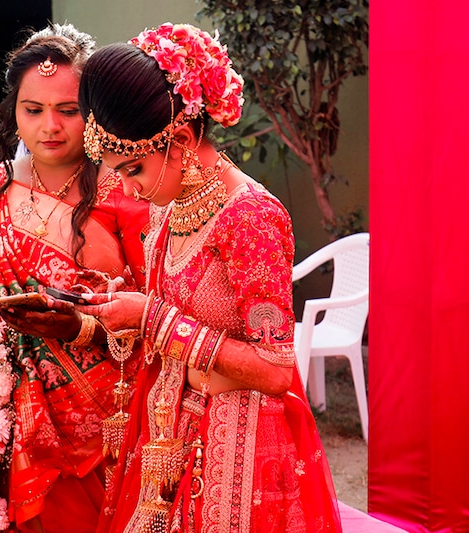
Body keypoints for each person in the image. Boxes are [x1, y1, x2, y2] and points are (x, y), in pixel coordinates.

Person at [70, 23, 343, 532]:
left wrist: (152, 317)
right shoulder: (170, 205)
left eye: (133, 170)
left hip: (238, 456)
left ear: (181, 139)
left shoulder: (250, 217)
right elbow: (172, 313)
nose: (127, 190)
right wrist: (112, 311)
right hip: (172, 436)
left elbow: (276, 369)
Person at [0, 23, 150, 533]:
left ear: (94, 114)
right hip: (4, 412)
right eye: (32, 110)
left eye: (69, 110)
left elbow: (157, 310)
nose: (50, 127)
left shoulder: (126, 189)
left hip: (105, 418)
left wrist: (77, 327)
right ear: (13, 111)